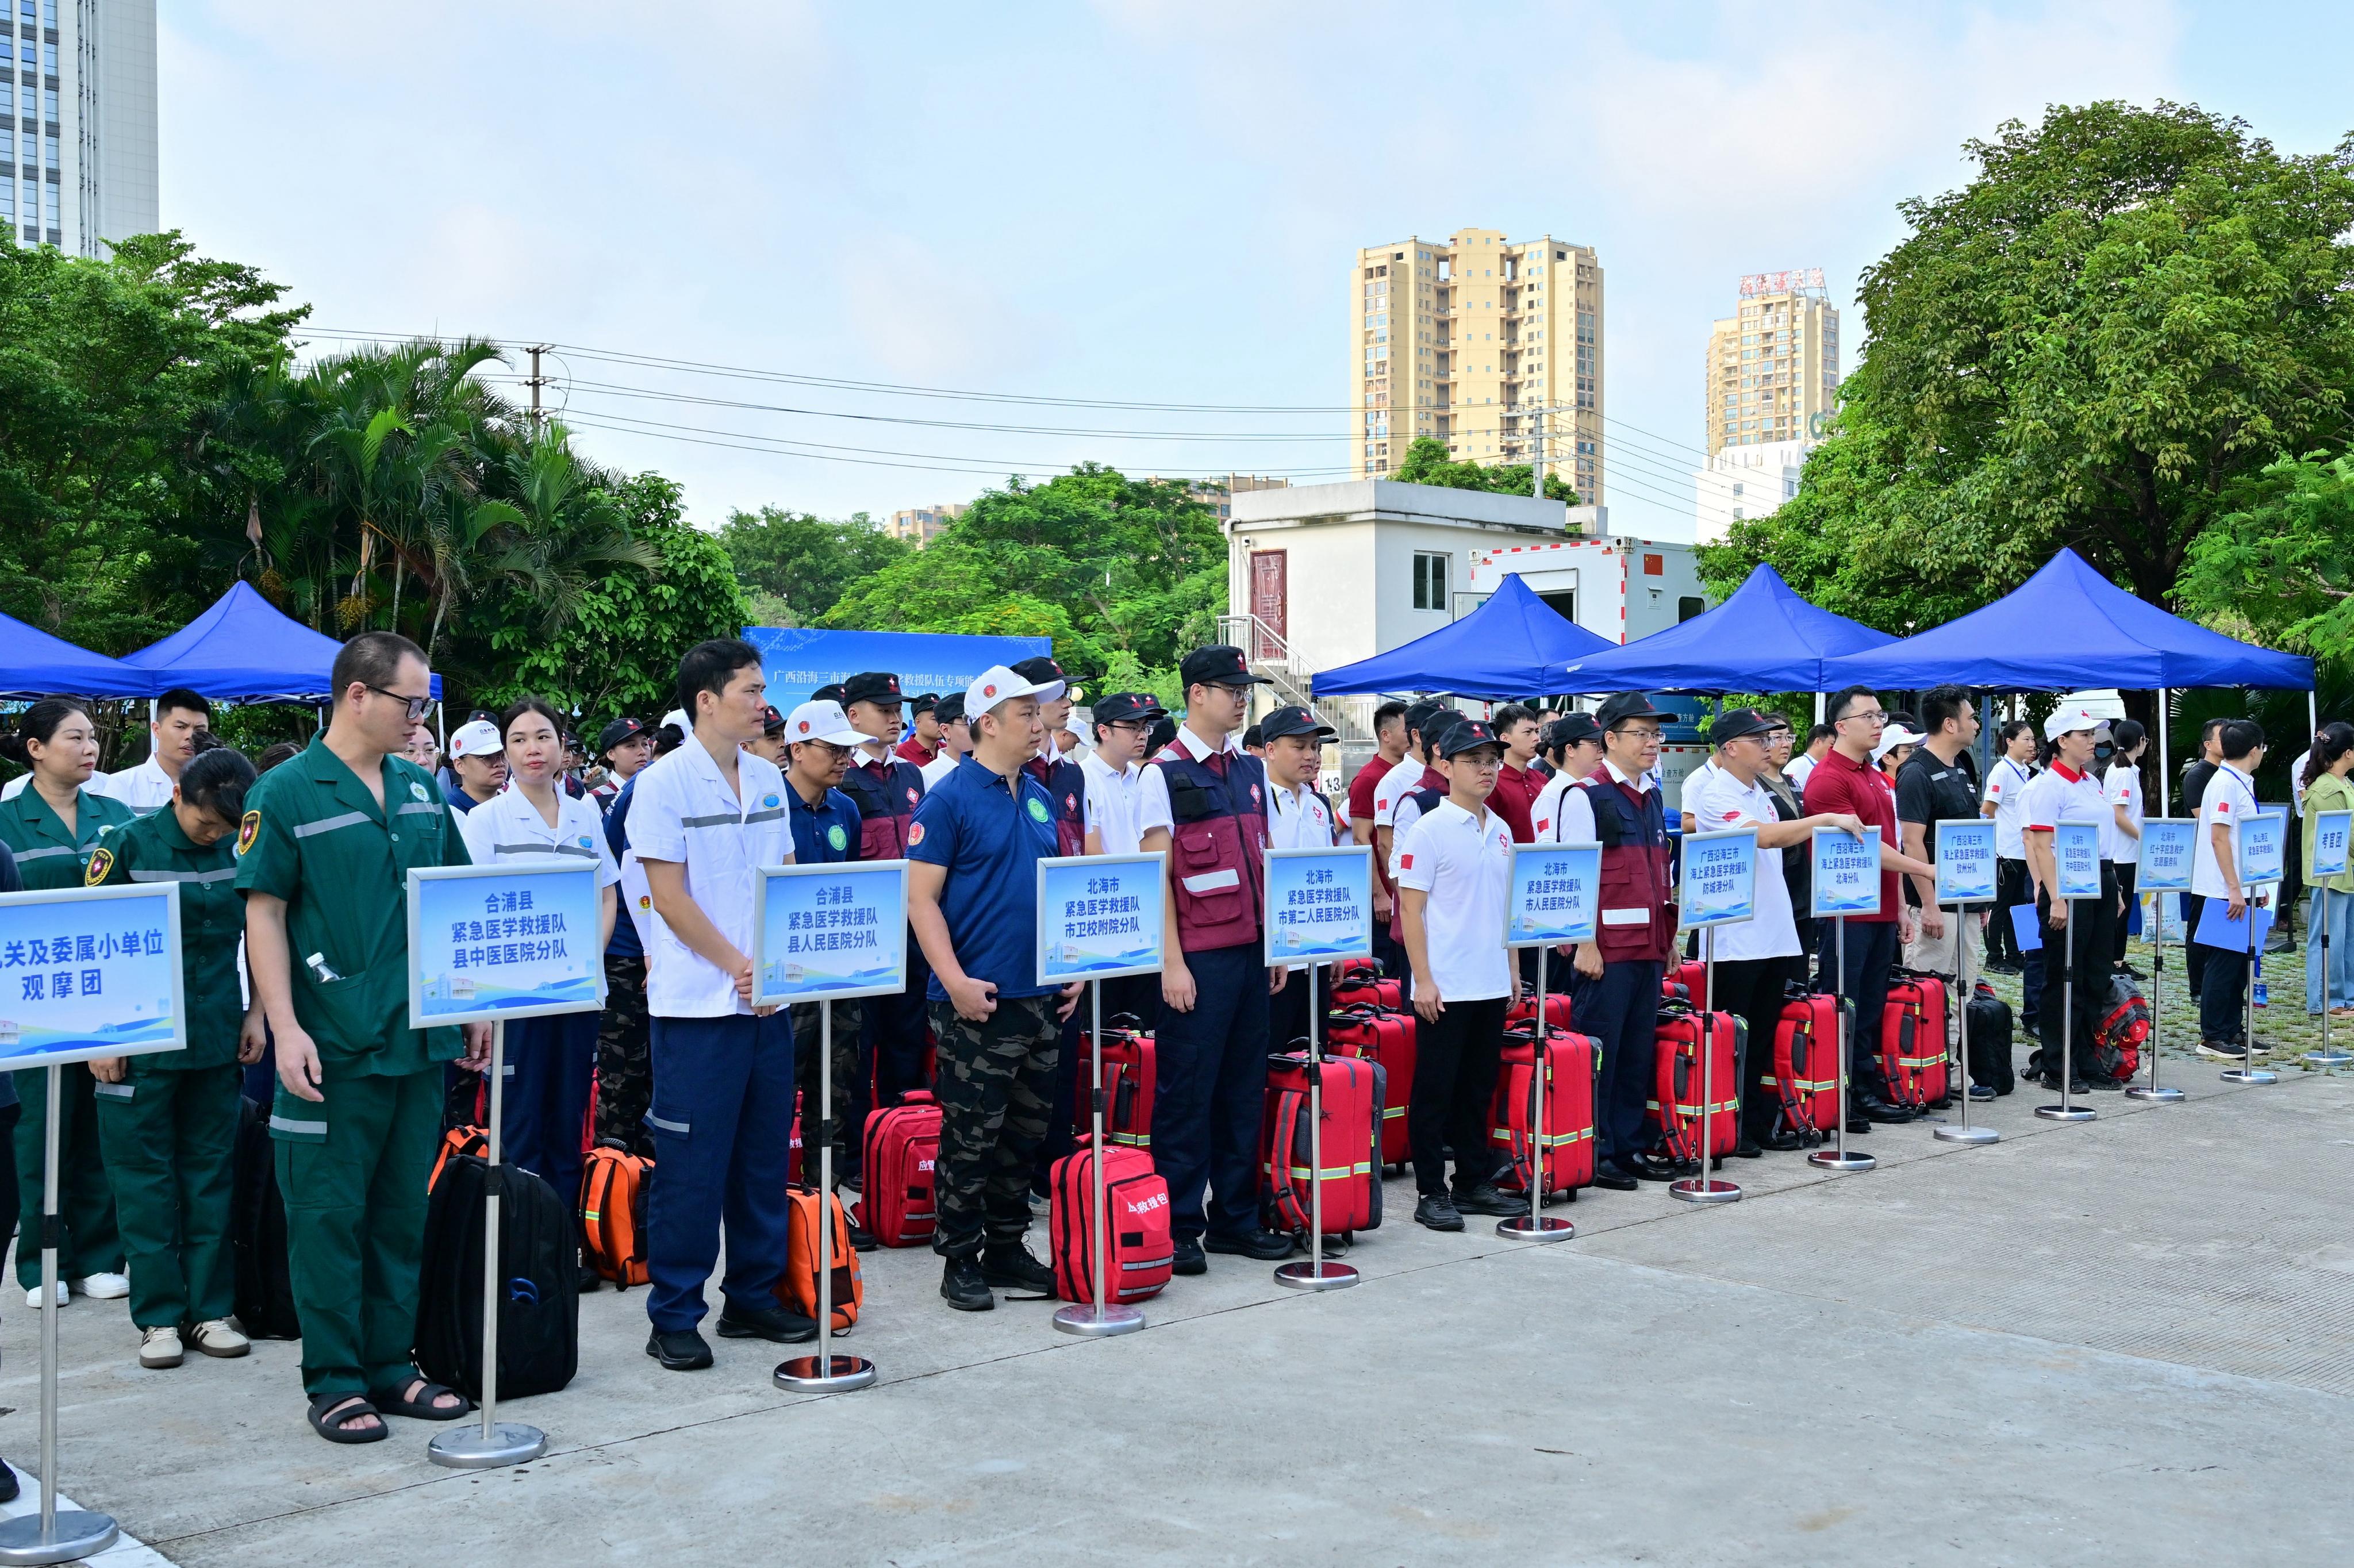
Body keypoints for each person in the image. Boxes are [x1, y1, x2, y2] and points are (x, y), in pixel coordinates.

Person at [236, 631, 490, 1442]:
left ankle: (392, 1366)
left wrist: (471, 1003)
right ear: (357, 696)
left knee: (396, 1215)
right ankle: (335, 1379)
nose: (421, 719)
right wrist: (283, 1028)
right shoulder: (284, 792)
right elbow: (264, 912)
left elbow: (451, 903)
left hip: (414, 1044)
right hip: (329, 1046)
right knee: (326, 1215)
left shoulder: (421, 793)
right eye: (410, 703)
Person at [630, 639, 815, 1370]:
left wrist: (777, 964)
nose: (762, 704)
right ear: (706, 700)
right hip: (698, 1008)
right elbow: (668, 898)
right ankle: (674, 1312)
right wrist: (739, 965)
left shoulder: (769, 779)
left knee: (764, 1158)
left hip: (766, 1005)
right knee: (691, 1166)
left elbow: (787, 874)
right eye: (750, 690)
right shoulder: (663, 783)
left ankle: (752, 1296)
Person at [905, 664, 1079, 1310]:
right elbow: (920, 900)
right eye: (1027, 715)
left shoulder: (1035, 793)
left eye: (1041, 714)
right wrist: (953, 983)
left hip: (1040, 996)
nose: (1040, 726)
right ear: (987, 723)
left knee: (1024, 1135)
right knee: (971, 1135)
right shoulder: (947, 799)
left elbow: (1054, 886)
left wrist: (1072, 966)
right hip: (976, 1001)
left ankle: (1007, 1247)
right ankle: (960, 1258)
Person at [88, 740, 263, 1369]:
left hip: (216, 1038)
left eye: (224, 825)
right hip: (137, 1046)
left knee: (211, 1175)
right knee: (144, 1182)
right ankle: (159, 1316)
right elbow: (92, 945)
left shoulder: (242, 846)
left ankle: (210, 1310)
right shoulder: (128, 846)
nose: (212, 832)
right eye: (203, 820)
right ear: (176, 795)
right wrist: (102, 1039)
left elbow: (268, 930)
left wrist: (258, 1012)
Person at [1136, 645, 1296, 1273]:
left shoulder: (1249, 771)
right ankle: (1180, 1224)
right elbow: (1158, 876)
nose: (1242, 697)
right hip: (1198, 960)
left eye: (1244, 688)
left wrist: (1275, 941)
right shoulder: (1164, 773)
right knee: (1188, 1093)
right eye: (1231, 688)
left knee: (1241, 1090)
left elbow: (1265, 858)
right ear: (1197, 693)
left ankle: (1237, 1217)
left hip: (1253, 952)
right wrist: (1170, 962)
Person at [455, 697, 621, 1266]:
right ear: (506, 750)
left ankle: (562, 1244)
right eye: (521, 738)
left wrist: (582, 960)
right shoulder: (487, 821)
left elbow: (606, 895)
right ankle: (520, 1249)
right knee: (520, 1120)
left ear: (561, 748)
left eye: (544, 736)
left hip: (574, 992)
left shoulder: (586, 814)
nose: (533, 748)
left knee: (568, 1113)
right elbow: (471, 908)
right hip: (514, 999)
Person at [0, 697, 137, 1306]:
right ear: (36, 747)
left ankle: (99, 1255)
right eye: (75, 738)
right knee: (38, 1130)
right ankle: (40, 1261)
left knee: (101, 1126)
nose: (90, 748)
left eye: (92, 738)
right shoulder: (7, 818)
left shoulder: (114, 815)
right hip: (33, 1000)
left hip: (106, 994)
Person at [1688, 709, 1867, 1151]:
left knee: (1765, 1036)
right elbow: (1761, 838)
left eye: (1769, 738)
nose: (1768, 745)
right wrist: (1822, 820)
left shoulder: (1761, 792)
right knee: (1734, 1039)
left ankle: (1755, 1124)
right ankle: (1728, 1127)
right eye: (1757, 739)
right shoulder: (1714, 794)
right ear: (1730, 747)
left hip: (1773, 932)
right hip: (1734, 940)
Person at [1393, 718, 1527, 1229]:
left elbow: (1504, 906)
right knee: (1434, 1093)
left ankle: (1472, 1182)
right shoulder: (1428, 829)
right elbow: (1410, 911)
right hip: (1444, 985)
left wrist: (1512, 968)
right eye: (1474, 761)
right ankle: (1431, 1191)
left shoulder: (1500, 829)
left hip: (1490, 980)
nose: (1487, 770)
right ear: (1444, 766)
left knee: (1478, 1090)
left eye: (1492, 761)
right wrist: (1423, 980)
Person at [1800, 687, 1941, 1125]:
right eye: (1868, 716)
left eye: (1880, 715)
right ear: (1841, 726)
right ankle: (1842, 1092)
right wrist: (1930, 872)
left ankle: (1864, 1084)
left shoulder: (1876, 777)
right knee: (1845, 1004)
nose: (1878, 722)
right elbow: (1868, 850)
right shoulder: (1828, 779)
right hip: (1846, 911)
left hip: (1879, 910)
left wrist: (1899, 906)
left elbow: (1890, 843)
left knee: (1872, 1005)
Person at [1569, 693, 1679, 1189]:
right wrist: (1583, 942)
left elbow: (1659, 871)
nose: (1652, 742)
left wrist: (1669, 937)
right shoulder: (1585, 795)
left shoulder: (1651, 794)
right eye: (1641, 733)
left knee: (1637, 1050)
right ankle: (1599, 1150)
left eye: (1655, 734)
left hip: (1649, 943)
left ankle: (1629, 1146)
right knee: (1604, 1052)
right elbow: (1573, 876)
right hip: (1606, 949)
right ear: (1609, 739)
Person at [773, 698, 874, 1213]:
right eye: (833, 749)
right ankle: (771, 1214)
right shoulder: (767, 805)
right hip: (783, 982)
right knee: (774, 1098)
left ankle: (824, 1212)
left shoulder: (847, 810)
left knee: (832, 1099)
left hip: (838, 978)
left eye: (847, 750)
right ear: (797, 748)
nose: (843, 760)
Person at [836, 671, 933, 1120]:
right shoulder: (840, 776)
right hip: (862, 933)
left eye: (898, 709)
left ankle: (902, 1133)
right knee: (857, 1042)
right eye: (885, 709)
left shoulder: (911, 773)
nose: (896, 718)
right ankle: (856, 1150)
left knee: (908, 1036)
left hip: (913, 926)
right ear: (853, 715)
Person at [2018, 706, 2121, 1088]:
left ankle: (2086, 1058)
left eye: (2093, 734)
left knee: (2095, 975)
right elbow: (2042, 846)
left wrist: (2116, 890)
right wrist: (2055, 898)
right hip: (2067, 884)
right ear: (2061, 741)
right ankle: (2058, 1064)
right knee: (2064, 977)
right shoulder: (2048, 786)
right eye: (2083, 735)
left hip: (2101, 879)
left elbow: (2103, 842)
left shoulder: (2090, 782)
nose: (2092, 741)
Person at [1896, 686, 1984, 1052]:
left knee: (1962, 988)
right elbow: (1912, 843)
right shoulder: (1915, 772)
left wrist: (1980, 901)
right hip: (1932, 906)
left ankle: (1951, 1070)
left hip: (1965, 902)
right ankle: (1921, 1070)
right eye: (1971, 717)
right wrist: (1929, 904)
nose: (1977, 725)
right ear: (1950, 724)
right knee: (1927, 992)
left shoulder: (1961, 767)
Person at [1261, 705, 1340, 1051]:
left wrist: (1335, 946)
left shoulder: (1319, 805)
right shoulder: (1257, 801)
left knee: (1315, 1051)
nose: (1311, 756)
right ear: (1271, 749)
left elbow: (1330, 879)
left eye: (1316, 747)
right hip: (1277, 956)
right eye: (1300, 746)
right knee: (1275, 1054)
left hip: (1317, 951)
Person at [2190, 719, 2267, 1060]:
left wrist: (2256, 885)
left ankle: (2233, 1028)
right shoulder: (2224, 784)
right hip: (2224, 889)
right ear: (2255, 750)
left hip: (2240, 886)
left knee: (2239, 964)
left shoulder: (2240, 781)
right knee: (2222, 963)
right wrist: (2235, 889)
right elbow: (2219, 837)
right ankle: (2213, 1034)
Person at [1347, 700, 1411, 979]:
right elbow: (1362, 839)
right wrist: (1380, 894)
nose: (1414, 735)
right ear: (1386, 735)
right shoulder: (1369, 779)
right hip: (1385, 898)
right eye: (1407, 729)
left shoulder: (1410, 775)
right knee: (1388, 976)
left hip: (1407, 893)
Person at [2301, 725, 2354, 1021]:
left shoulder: (2344, 783)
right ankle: (2326, 999)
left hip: (2345, 872)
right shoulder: (2327, 788)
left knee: (2346, 939)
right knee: (2327, 938)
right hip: (2329, 874)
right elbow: (2346, 834)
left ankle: (2345, 996)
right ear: (2347, 753)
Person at [2179, 716, 2230, 1000]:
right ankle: (2198, 986)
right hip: (2205, 862)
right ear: (2208, 744)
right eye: (2223, 737)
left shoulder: (2232, 775)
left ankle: (2218, 984)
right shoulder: (2198, 775)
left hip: (2226, 861)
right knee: (2199, 924)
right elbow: (2207, 820)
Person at [97, 688, 213, 812]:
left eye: (199, 730)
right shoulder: (123, 785)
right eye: (181, 727)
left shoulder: (216, 784)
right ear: (157, 729)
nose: (190, 736)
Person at [1980, 719, 2037, 975]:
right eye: (2026, 739)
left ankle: (2015, 955)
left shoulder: (2026, 771)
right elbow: (1987, 811)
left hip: (2023, 850)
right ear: (2010, 742)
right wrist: (1992, 849)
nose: (2031, 744)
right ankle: (1994, 957)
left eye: (2033, 739)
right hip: (2005, 853)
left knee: (2018, 907)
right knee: (1999, 908)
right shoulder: (2002, 772)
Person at [2106, 720, 2149, 973]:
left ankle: (2115, 959)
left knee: (2122, 909)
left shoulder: (2124, 769)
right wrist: (2143, 839)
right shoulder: (2123, 772)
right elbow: (2118, 815)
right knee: (2121, 910)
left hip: (2125, 852)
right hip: (2123, 854)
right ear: (2140, 741)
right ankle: (2115, 961)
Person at [1487, 703, 1543, 843]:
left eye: (1536, 731)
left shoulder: (1542, 779)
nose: (1536, 738)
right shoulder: (1492, 781)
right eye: (1528, 732)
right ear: (1505, 738)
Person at [591, 717, 654, 814]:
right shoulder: (596, 799)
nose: (642, 752)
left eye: (645, 744)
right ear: (611, 754)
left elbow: (684, 824)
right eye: (631, 746)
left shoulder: (659, 791)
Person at [443, 718, 506, 813]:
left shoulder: (515, 805)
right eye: (486, 757)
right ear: (460, 765)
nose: (499, 763)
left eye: (503, 755)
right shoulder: (448, 813)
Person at [921, 693, 971, 790]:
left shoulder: (993, 769)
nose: (977, 730)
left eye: (977, 723)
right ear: (945, 730)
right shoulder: (927, 777)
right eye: (968, 724)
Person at [1785, 724, 1834, 795]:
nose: (1834, 749)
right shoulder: (1799, 765)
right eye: (1832, 744)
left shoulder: (1817, 766)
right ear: (1818, 742)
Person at [896, 693, 941, 768]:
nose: (941, 723)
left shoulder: (947, 751)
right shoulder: (900, 754)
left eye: (941, 718)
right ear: (918, 722)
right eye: (934, 719)